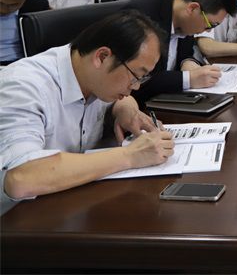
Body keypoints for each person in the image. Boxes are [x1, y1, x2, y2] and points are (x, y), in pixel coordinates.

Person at [0, 11, 174, 214]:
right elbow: (21, 178)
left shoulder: (90, 74)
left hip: (71, 205)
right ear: (102, 57)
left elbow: (120, 100)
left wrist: (126, 109)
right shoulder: (23, 86)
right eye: (136, 75)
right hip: (17, 220)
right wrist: (130, 155)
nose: (136, 87)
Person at [131, 0, 237, 103]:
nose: (208, 31)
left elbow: (186, 53)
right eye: (210, 25)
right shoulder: (142, 18)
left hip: (171, 99)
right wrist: (188, 78)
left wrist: (187, 62)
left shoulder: (186, 22)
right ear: (192, 8)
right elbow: (140, 80)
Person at [1, 0, 50, 66]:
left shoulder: (38, 5)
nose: (4, 9)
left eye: (14, 5)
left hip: (22, 64)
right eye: (0, 3)